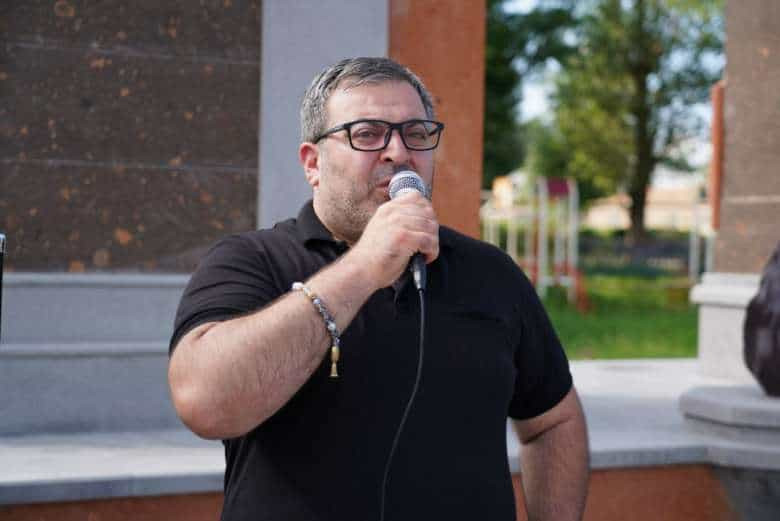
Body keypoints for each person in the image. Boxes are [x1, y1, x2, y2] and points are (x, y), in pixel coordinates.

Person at [168, 57, 589, 521]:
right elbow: (204, 403)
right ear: (313, 163)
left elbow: (553, 421)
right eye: (367, 134)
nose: (398, 152)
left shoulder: (491, 273)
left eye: (416, 134)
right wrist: (365, 264)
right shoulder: (252, 261)